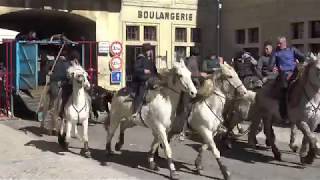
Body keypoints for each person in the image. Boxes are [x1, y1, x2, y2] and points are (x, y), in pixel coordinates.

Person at [269, 36, 305, 121]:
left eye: (280, 43)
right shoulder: (276, 53)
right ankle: (285, 115)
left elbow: (303, 57)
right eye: (277, 43)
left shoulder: (292, 50)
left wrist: (298, 62)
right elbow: (270, 65)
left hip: (295, 73)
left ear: (285, 43)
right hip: (284, 75)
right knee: (284, 91)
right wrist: (274, 67)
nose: (278, 45)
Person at [130, 43, 158, 120]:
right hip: (141, 79)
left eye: (150, 50)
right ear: (146, 51)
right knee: (141, 91)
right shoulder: (140, 58)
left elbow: (154, 71)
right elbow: (135, 68)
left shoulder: (150, 60)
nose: (150, 52)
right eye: (149, 50)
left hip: (151, 79)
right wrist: (144, 70)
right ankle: (135, 110)